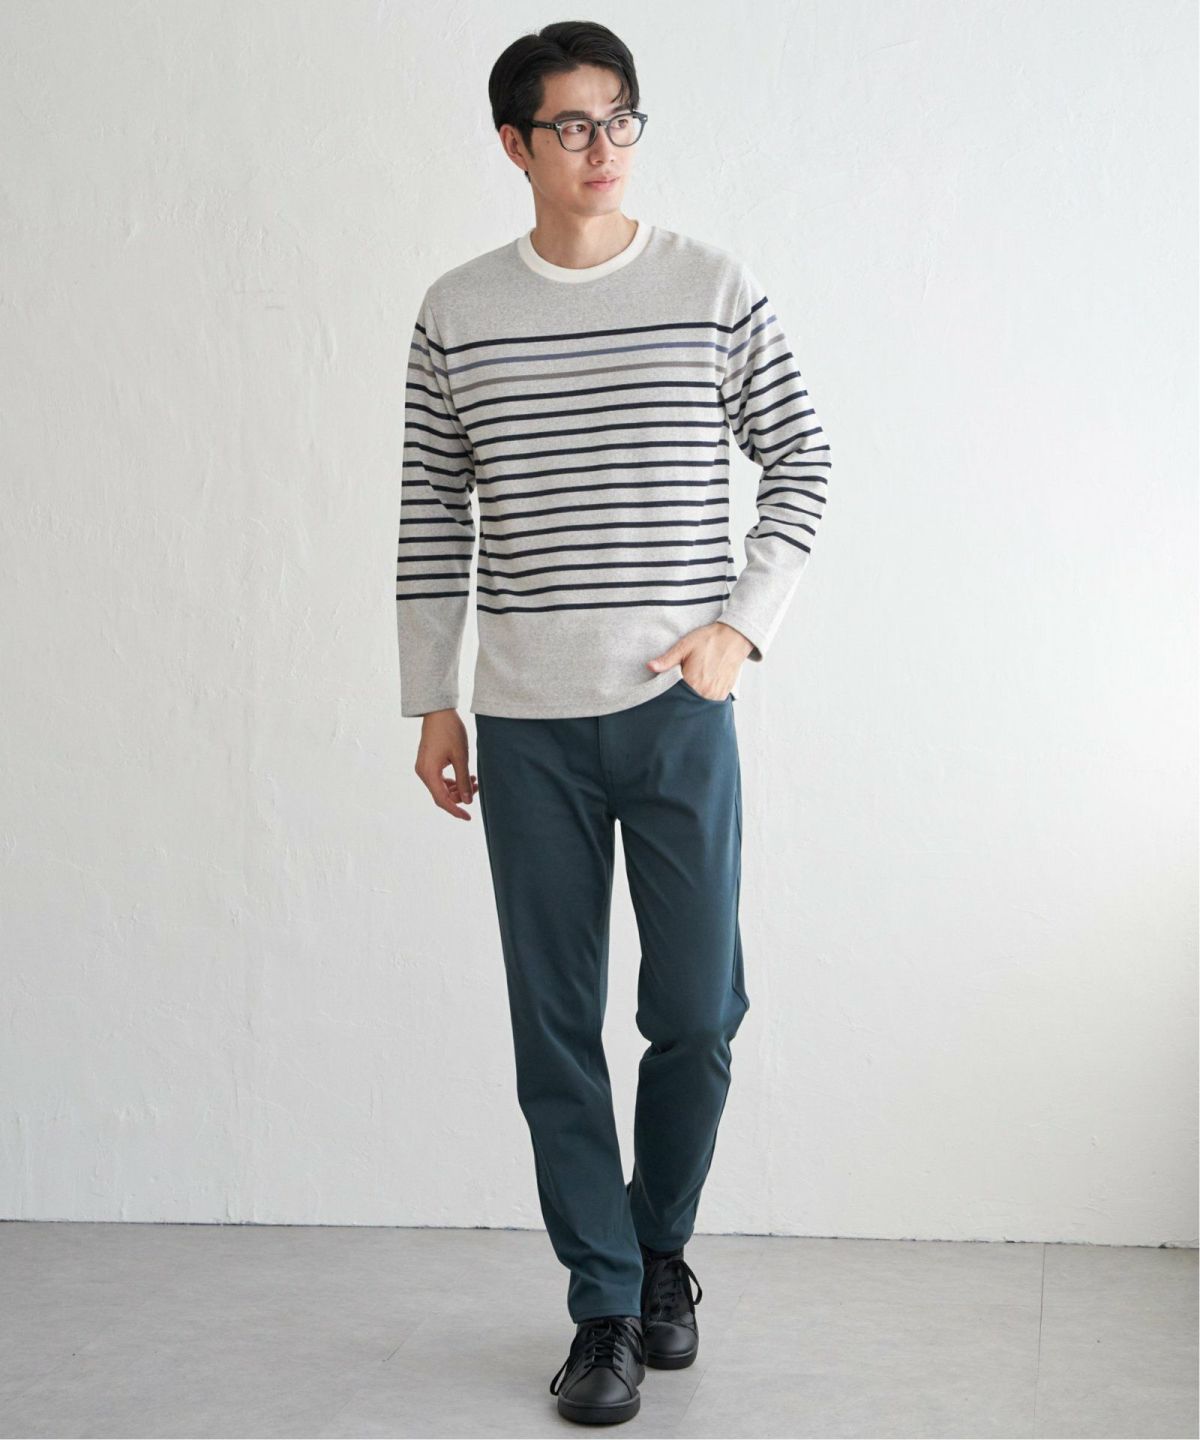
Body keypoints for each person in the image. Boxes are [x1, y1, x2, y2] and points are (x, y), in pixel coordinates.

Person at [396, 20, 833, 1426]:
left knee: (698, 1013)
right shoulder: (459, 310)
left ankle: (657, 1254)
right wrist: (432, 698)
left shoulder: (708, 287)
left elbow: (803, 457)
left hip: (677, 713)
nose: (603, 148)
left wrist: (740, 626)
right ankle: (602, 1308)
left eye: (620, 119)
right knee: (556, 1029)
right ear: (514, 143)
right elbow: (431, 518)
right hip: (526, 727)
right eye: (572, 126)